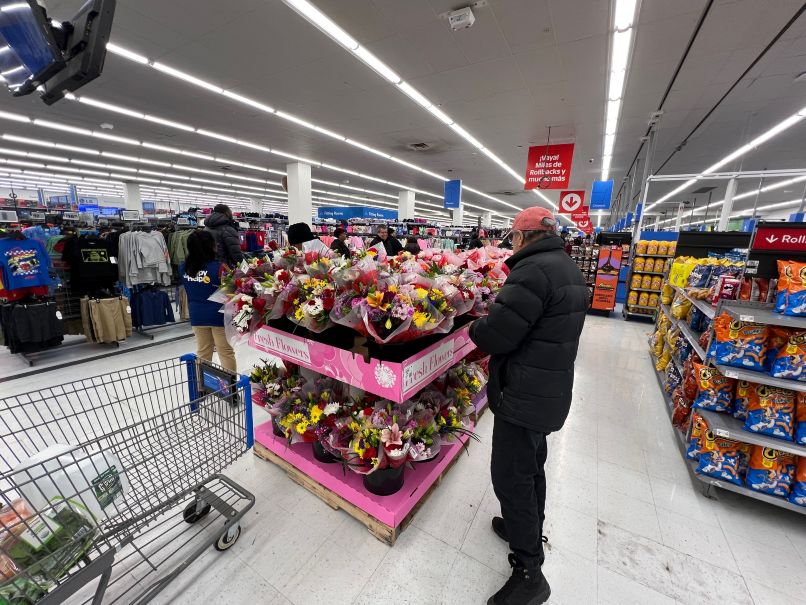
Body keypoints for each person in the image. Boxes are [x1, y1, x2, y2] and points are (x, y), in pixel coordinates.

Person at [469, 207, 587, 605]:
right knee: (531, 466)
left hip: (523, 393)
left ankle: (529, 573)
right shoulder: (567, 266)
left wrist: (474, 323)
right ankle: (528, 531)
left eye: (512, 238)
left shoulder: (532, 271)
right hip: (547, 389)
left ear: (521, 237)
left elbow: (497, 335)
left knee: (511, 477)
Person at [180, 230, 237, 373]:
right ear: (210, 246)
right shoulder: (220, 268)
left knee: (203, 352)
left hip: (197, 316)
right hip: (219, 317)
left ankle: (201, 384)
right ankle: (231, 386)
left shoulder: (184, 268)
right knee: (225, 352)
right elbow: (231, 291)